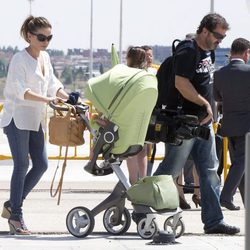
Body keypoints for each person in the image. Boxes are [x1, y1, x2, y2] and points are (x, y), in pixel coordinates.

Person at [153, 13, 240, 234]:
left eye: (223, 37)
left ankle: (213, 221)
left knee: (210, 172)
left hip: (202, 125)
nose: (220, 40)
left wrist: (209, 109)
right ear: (204, 30)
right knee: (170, 169)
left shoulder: (208, 52)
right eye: (218, 35)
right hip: (185, 123)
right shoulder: (188, 50)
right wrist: (204, 103)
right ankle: (142, 205)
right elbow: (180, 83)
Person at [0, 15, 69, 235]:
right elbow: (20, 91)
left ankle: (12, 204)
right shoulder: (19, 59)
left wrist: (68, 98)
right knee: (21, 166)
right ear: (29, 36)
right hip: (17, 118)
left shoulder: (45, 57)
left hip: (35, 119)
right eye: (42, 37)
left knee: (41, 164)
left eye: (49, 37)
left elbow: (52, 85)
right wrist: (48, 100)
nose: (46, 41)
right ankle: (16, 217)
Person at [213, 37, 250, 210]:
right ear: (246, 53)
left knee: (239, 164)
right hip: (246, 126)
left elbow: (216, 98)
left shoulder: (219, 73)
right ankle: (226, 196)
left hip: (229, 124)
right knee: (242, 162)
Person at [125, 46, 148, 184]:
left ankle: (133, 181)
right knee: (143, 150)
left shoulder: (126, 75)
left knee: (131, 152)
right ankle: (144, 179)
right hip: (144, 116)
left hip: (129, 116)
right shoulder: (147, 76)